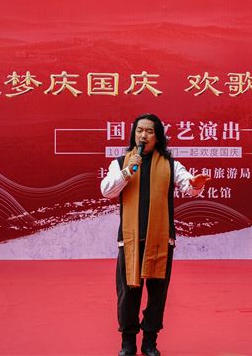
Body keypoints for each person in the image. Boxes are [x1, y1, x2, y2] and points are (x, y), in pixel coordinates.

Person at [101, 113, 210, 356]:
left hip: (161, 239)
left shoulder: (170, 164)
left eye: (149, 131)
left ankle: (150, 341)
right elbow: (107, 191)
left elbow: (188, 185)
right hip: (130, 240)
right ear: (134, 134)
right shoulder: (121, 163)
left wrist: (196, 183)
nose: (144, 135)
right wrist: (128, 171)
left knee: (157, 295)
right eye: (140, 130)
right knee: (128, 293)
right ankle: (128, 342)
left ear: (158, 136)